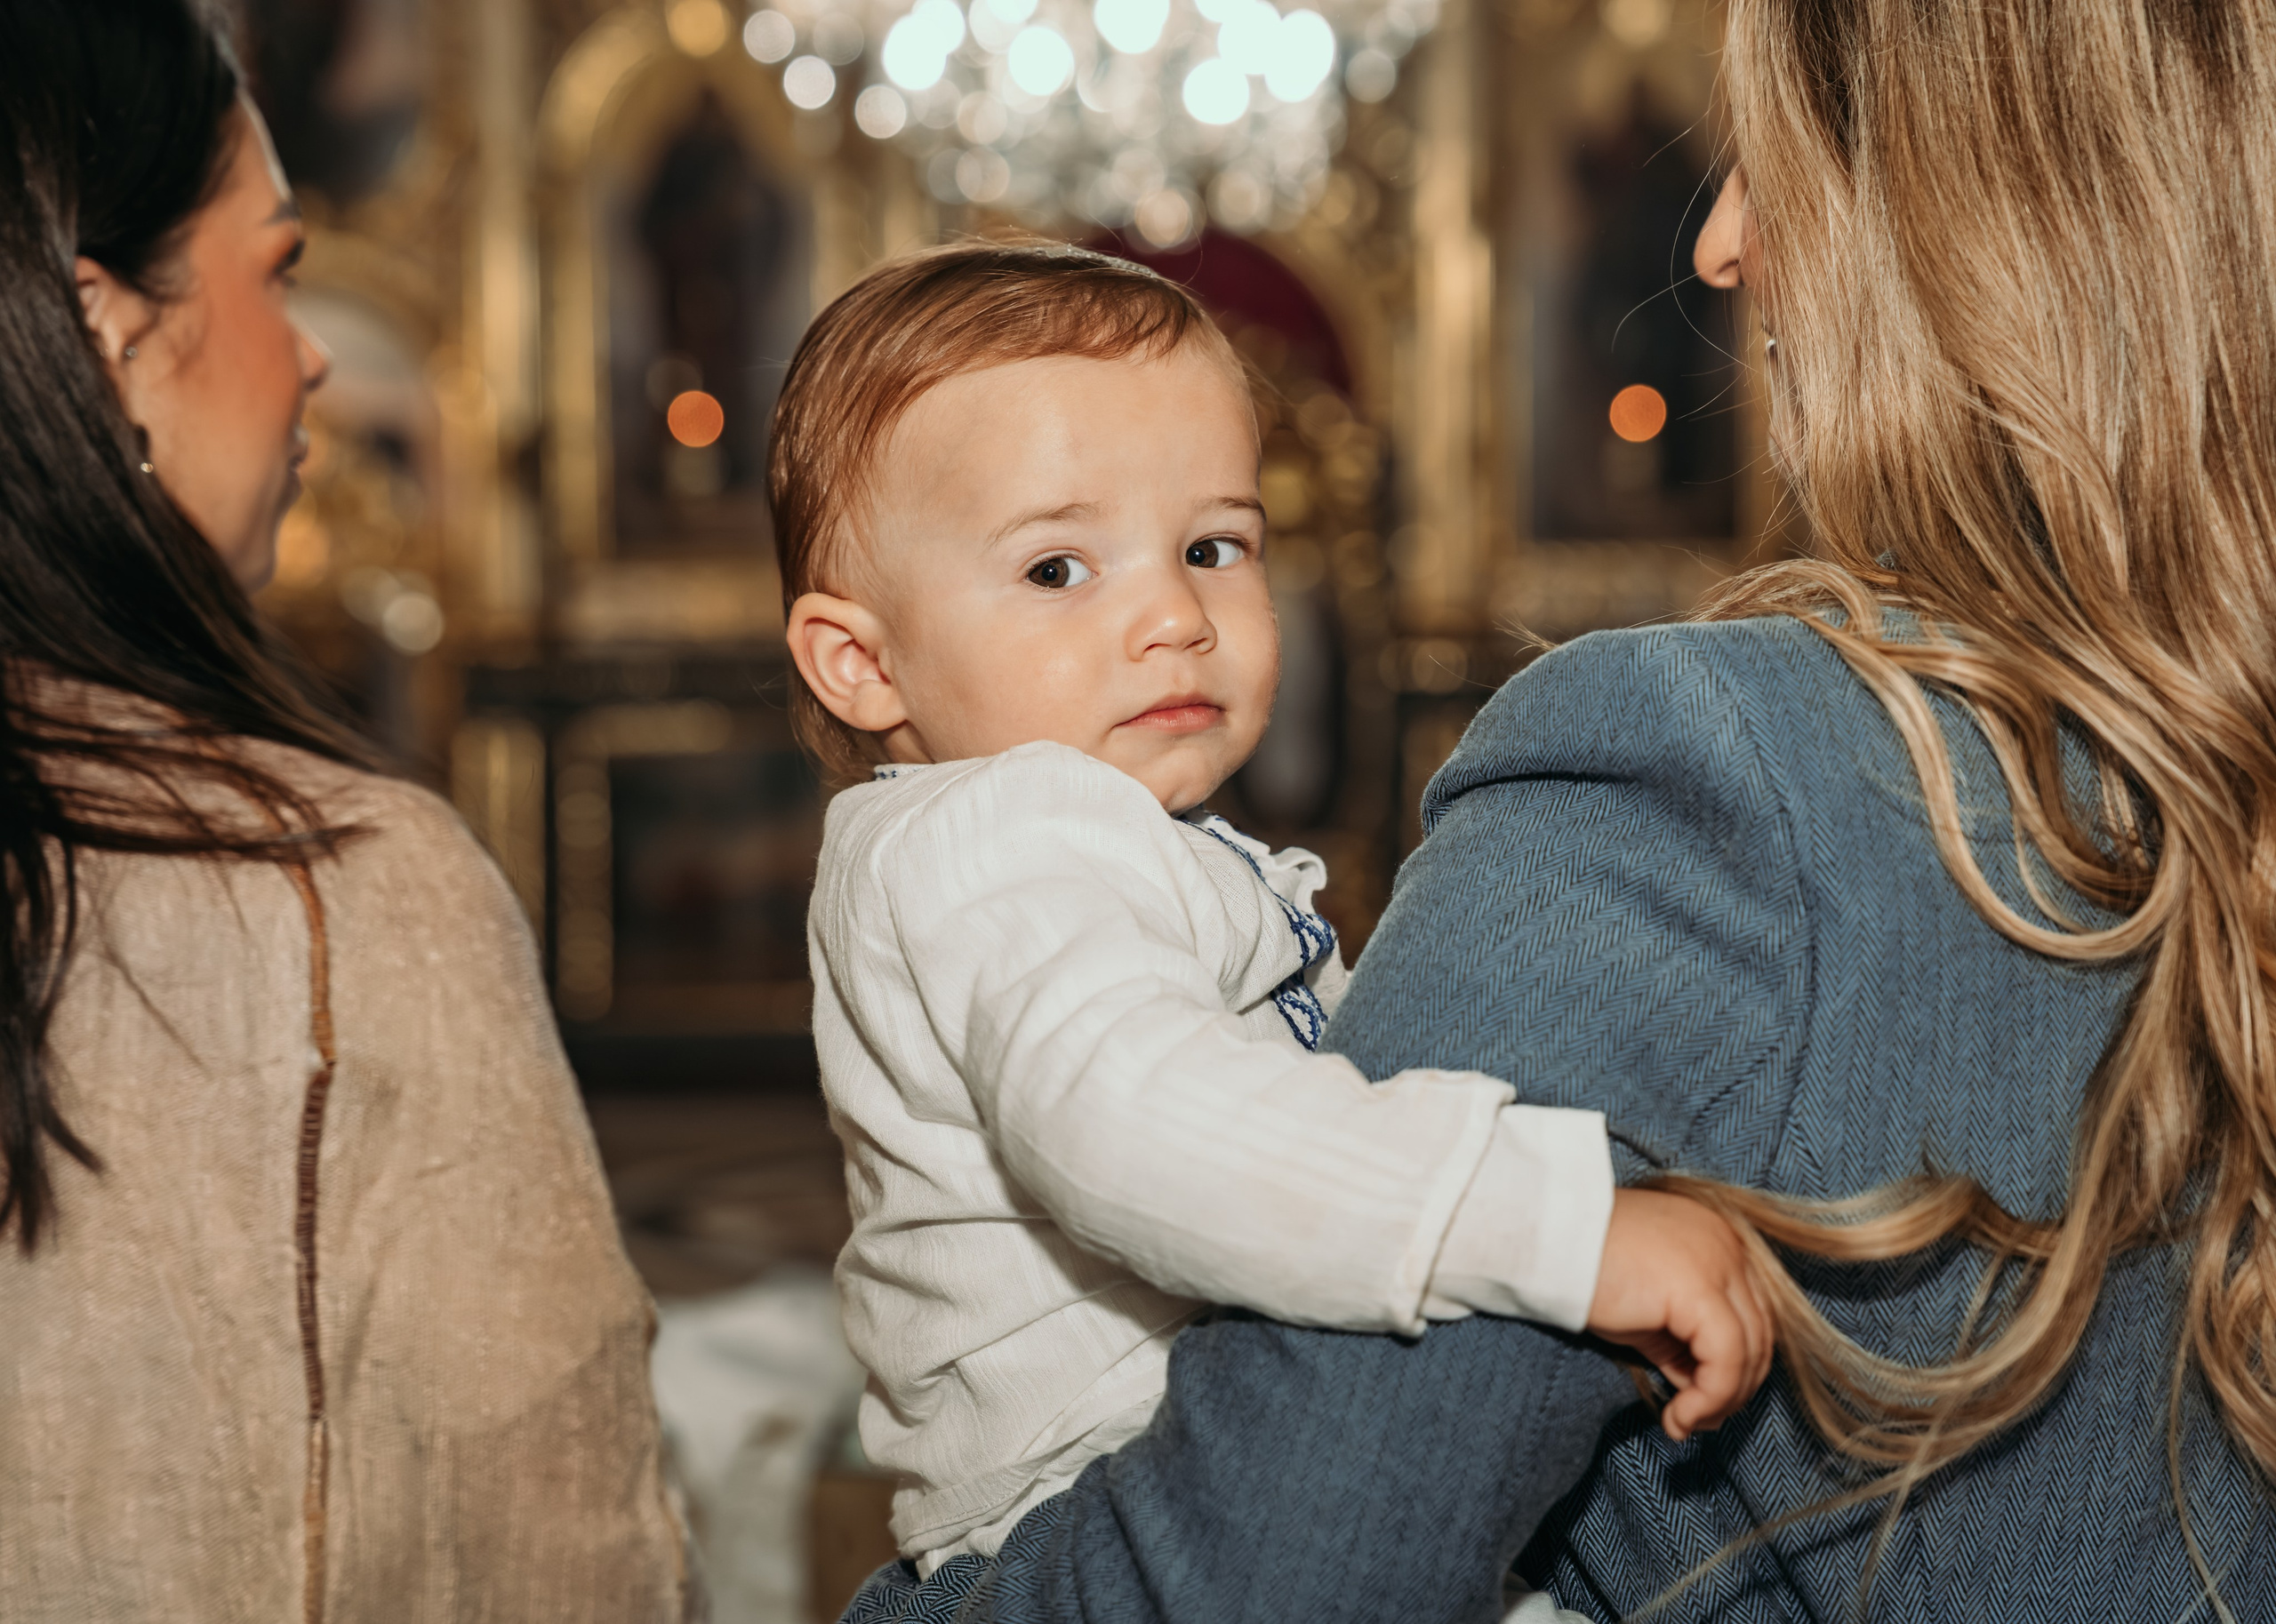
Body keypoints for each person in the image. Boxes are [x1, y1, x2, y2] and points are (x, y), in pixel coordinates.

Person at [872, 1, 2276, 1619]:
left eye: (1772, 160)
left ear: (1979, 219)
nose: (1724, 243)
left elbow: (1265, 1582)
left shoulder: (1711, 779)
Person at [770, 243, 1773, 1620]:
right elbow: (1140, 1124)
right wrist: (1556, 1228)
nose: (1175, 616)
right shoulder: (996, 839)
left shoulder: (1087, 835)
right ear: (862, 662)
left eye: (1212, 547)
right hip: (1099, 1519)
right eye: (1058, 566)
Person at [0, 4, 689, 1619]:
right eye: (278, 268)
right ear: (103, 337)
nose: (311, 351)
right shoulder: (338, 899)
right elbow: (558, 1560)